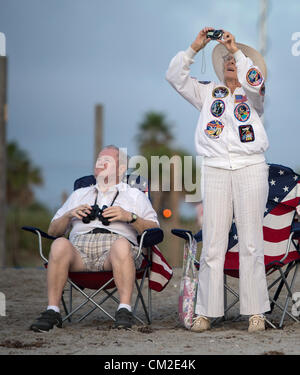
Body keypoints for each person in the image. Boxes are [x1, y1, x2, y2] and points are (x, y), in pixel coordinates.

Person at [166, 27, 270, 333]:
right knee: (212, 241)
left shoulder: (255, 95)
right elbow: (174, 77)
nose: (229, 61)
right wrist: (194, 47)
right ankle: (206, 312)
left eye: (234, 59)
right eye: (225, 58)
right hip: (214, 168)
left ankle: (256, 312)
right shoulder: (208, 91)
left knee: (251, 242)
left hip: (250, 166)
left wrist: (237, 51)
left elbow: (256, 83)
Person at [30, 145, 159, 332]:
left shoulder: (134, 195)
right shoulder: (79, 194)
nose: (100, 163)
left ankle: (124, 309)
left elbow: (155, 230)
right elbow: (53, 230)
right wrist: (69, 215)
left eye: (106, 161)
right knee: (59, 244)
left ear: (121, 168)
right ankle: (53, 311)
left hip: (115, 251)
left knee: (122, 245)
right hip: (78, 251)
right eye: (98, 160)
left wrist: (129, 217)